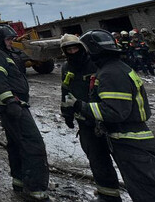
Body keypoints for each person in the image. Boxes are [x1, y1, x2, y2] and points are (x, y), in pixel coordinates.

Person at [65, 29, 155, 201]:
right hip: (131, 138)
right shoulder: (116, 68)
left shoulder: (110, 74)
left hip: (131, 141)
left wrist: (80, 106)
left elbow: (114, 111)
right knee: (143, 188)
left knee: (148, 192)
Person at [0, 25, 49, 201]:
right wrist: (10, 101)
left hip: (15, 104)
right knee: (33, 144)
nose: (11, 42)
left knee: (16, 144)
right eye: (8, 39)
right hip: (13, 106)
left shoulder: (4, 53)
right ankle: (36, 189)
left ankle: (19, 181)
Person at [59, 34, 121, 201]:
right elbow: (66, 92)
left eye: (75, 48)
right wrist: (67, 114)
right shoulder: (66, 67)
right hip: (85, 122)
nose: (73, 51)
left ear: (82, 47)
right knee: (97, 159)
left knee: (123, 158)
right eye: (69, 49)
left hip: (107, 120)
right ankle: (108, 195)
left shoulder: (95, 64)